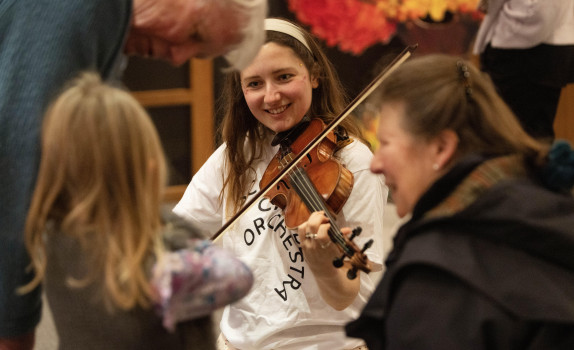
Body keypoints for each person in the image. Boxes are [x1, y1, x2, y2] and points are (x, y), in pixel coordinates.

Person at [0, 0, 266, 347]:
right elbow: (237, 277)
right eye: (195, 33)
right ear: (149, 169)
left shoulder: (64, 241)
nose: (177, 58)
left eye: (198, 51)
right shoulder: (153, 269)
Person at [173, 18, 388, 350]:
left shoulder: (353, 162)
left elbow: (345, 296)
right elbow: (177, 230)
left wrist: (323, 261)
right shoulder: (235, 157)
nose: (271, 96)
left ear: (314, 75)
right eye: (254, 83)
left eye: (284, 77)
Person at [344, 54, 574, 349]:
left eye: (385, 143)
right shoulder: (545, 209)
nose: (375, 164)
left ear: (441, 148)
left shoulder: (438, 272)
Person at [19, 72, 254, 349]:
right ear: (146, 167)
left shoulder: (52, 233)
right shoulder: (158, 261)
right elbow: (238, 277)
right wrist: (168, 227)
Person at [473, 0, 574, 141]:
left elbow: (541, 11)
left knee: (511, 137)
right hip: (542, 38)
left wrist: (516, 21)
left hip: (525, 42)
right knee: (532, 135)